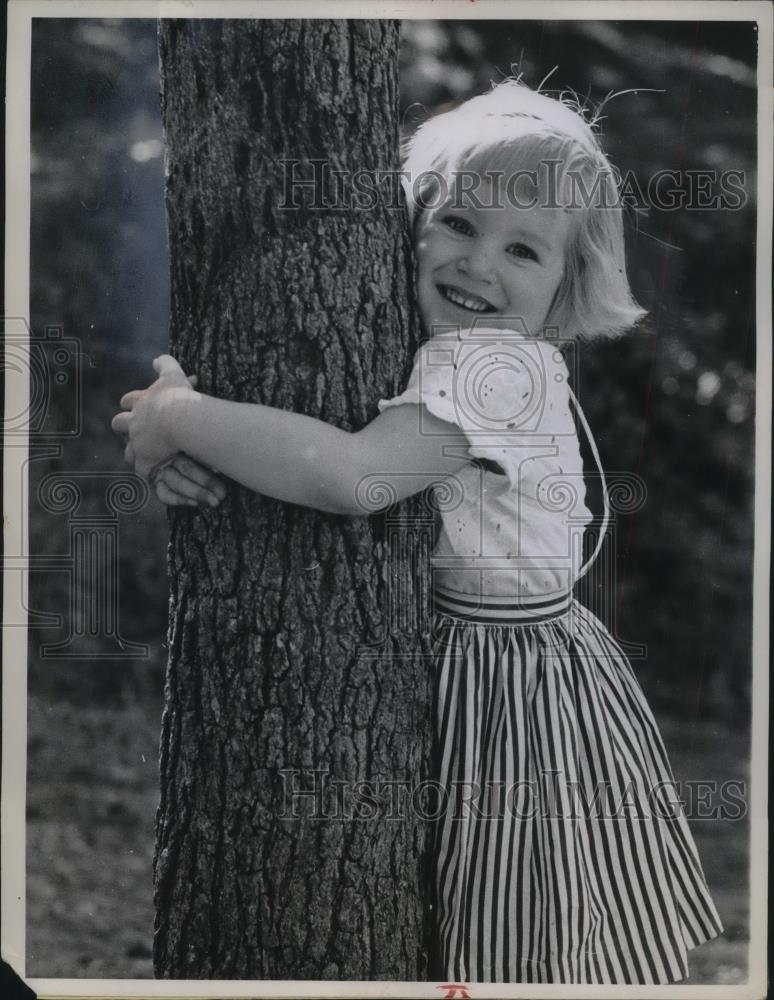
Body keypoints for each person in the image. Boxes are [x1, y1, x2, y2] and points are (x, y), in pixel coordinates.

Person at [112, 79, 723, 985]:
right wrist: (169, 442)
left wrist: (183, 415)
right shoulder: (460, 355)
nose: (481, 264)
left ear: (564, 289)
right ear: (409, 223)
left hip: (507, 683)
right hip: (505, 658)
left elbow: (353, 476)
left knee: (502, 920)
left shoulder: (492, 372)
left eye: (523, 249)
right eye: (460, 224)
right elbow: (298, 450)